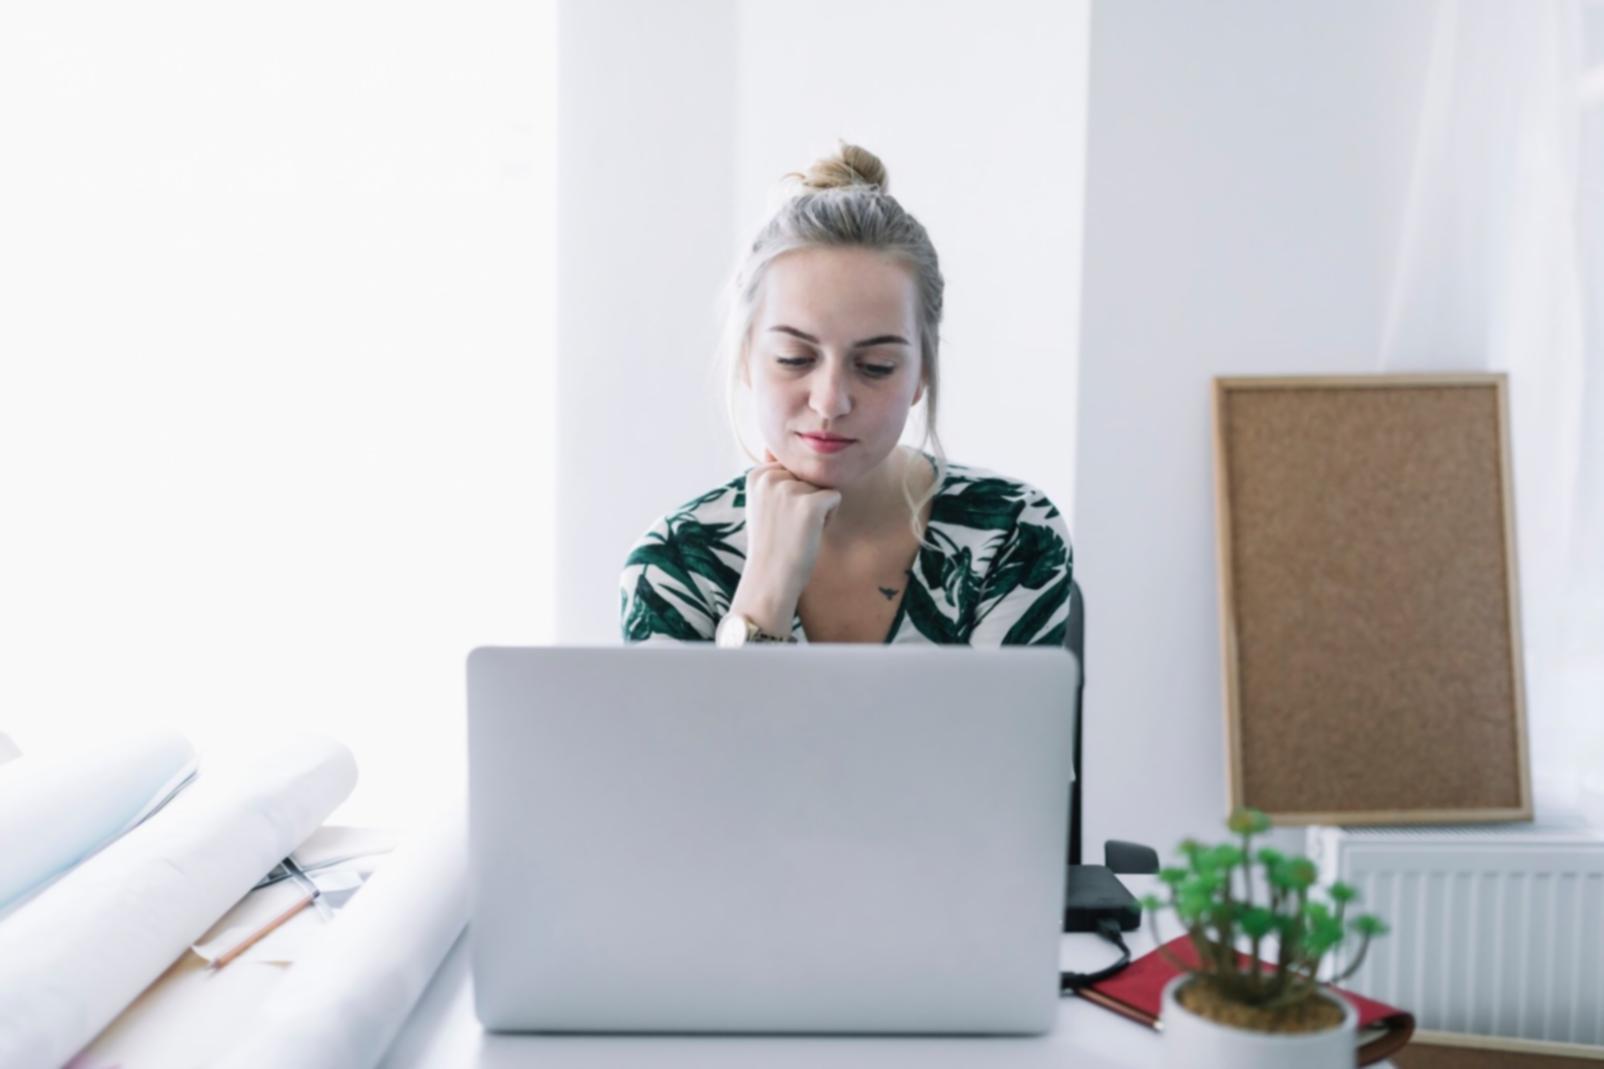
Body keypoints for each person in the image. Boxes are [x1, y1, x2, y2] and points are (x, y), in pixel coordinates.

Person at [619, 142, 1072, 647]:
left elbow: (1010, 728)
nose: (831, 401)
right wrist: (766, 589)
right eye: (795, 358)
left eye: (875, 367)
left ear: (922, 372)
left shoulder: (1013, 534)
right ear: (747, 358)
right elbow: (697, 730)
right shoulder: (674, 566)